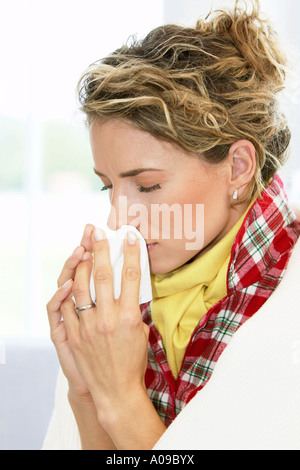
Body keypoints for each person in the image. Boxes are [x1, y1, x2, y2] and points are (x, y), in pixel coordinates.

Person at [44, 0, 300, 450]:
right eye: (108, 187)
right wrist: (86, 392)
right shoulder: (117, 317)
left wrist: (122, 399)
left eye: (146, 186)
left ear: (238, 167)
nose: (119, 219)